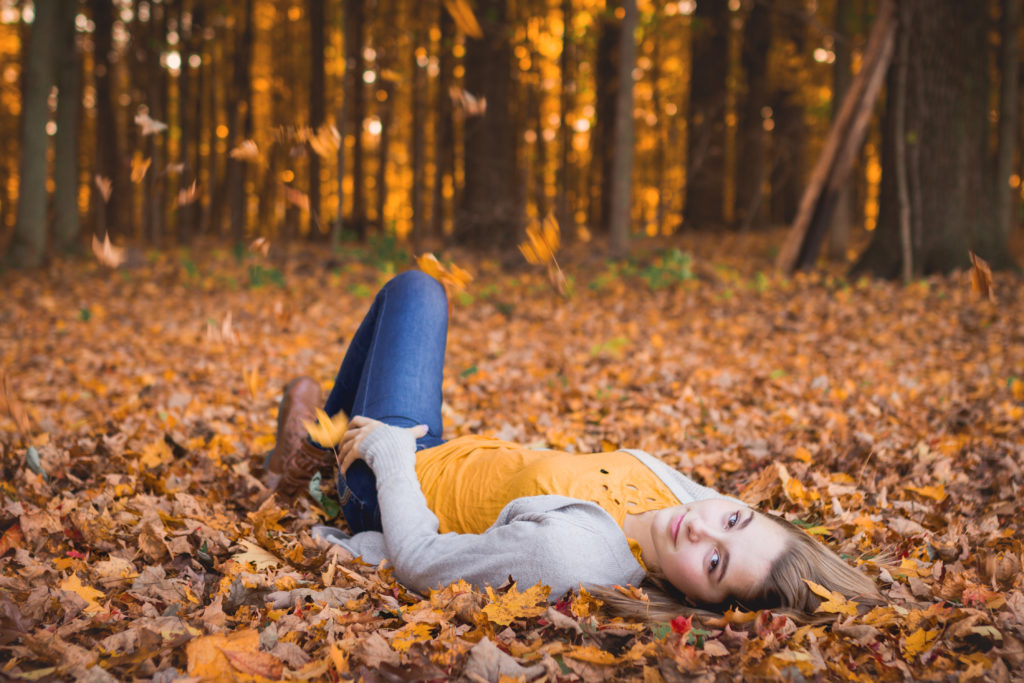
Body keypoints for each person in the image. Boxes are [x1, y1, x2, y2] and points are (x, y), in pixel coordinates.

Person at [265, 270, 882, 619]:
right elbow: (732, 526)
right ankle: (318, 441)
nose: (703, 528)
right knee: (414, 301)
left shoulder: (578, 557)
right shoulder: (682, 504)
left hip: (394, 476)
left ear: (699, 601)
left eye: (716, 563)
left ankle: (326, 456)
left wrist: (392, 457)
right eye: (735, 517)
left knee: (416, 293)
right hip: (448, 448)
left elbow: (422, 562)